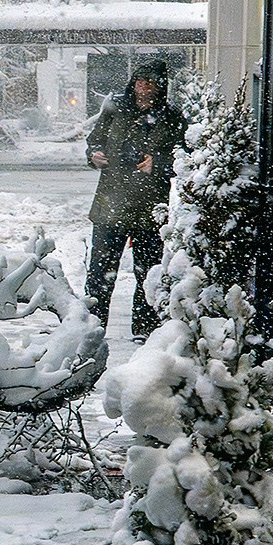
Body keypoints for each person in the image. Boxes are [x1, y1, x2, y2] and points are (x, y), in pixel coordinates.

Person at [84, 57, 186, 339]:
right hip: (111, 204)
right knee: (101, 272)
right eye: (140, 80)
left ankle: (145, 328)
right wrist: (94, 154)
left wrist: (159, 163)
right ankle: (93, 326)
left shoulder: (172, 117)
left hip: (150, 207)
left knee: (148, 273)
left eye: (150, 82)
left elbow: (184, 158)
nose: (144, 87)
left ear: (160, 86)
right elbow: (94, 140)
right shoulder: (115, 109)